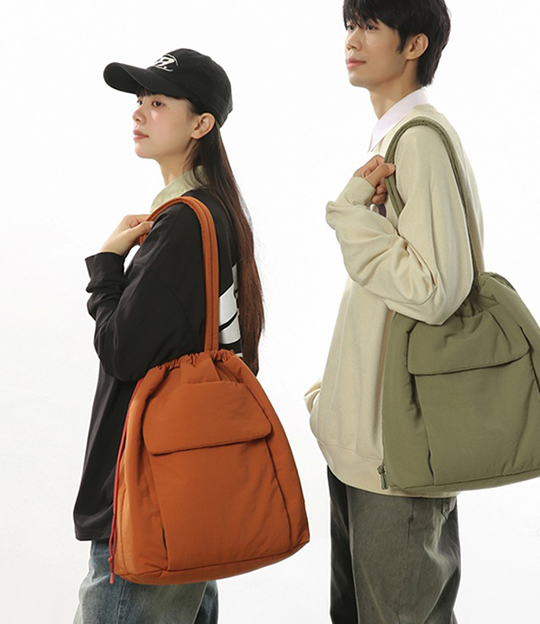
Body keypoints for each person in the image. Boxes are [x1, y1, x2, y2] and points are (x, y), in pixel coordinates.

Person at [304, 1, 485, 622]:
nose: (352, 40)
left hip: (396, 450)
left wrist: (349, 216)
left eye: (370, 26)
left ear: (414, 45)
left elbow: (436, 290)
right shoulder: (391, 138)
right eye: (350, 25)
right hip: (371, 443)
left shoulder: (421, 141)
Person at [73, 48, 264, 624]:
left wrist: (106, 266)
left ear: (201, 124)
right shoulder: (218, 213)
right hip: (186, 495)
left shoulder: (183, 223)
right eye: (139, 100)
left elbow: (121, 349)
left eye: (157, 102)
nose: (139, 113)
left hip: (145, 501)